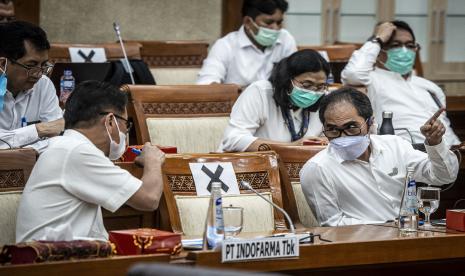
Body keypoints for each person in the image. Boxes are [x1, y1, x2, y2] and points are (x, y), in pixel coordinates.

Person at [16, 81, 165, 242]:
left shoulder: (67, 147)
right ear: (110, 121)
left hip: (67, 257)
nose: (125, 132)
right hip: (53, 261)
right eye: (126, 125)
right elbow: (149, 199)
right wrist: (153, 160)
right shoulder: (77, 152)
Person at [300, 87, 459, 227]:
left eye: (351, 127)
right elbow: (332, 224)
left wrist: (435, 143)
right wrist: (388, 227)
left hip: (407, 236)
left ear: (370, 123)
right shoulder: (317, 169)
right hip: (362, 248)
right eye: (333, 130)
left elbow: (443, 176)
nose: (343, 137)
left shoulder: (394, 146)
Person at [341, 20, 460, 146]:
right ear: (379, 51)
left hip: (448, 152)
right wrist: (378, 39)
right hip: (406, 154)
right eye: (396, 45)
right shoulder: (371, 80)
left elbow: (445, 124)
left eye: (409, 46)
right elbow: (353, 73)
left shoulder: (430, 87)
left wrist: (458, 148)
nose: (404, 51)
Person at [219, 49, 329, 152]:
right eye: (306, 84)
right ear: (287, 79)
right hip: (248, 167)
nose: (313, 92)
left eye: (320, 87)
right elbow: (233, 139)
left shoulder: (325, 99)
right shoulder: (260, 92)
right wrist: (292, 148)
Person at [197, 0, 297, 87]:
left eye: (279, 23)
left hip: (276, 107)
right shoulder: (225, 46)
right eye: (268, 23)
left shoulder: (286, 39)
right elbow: (206, 84)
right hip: (236, 106)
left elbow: (296, 79)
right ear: (248, 22)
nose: (275, 28)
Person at [0, 21, 63, 153]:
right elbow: (50, 129)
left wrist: (22, 151)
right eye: (31, 65)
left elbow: (58, 138)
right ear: (2, 64)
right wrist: (40, 130)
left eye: (44, 65)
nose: (39, 74)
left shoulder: (43, 85)